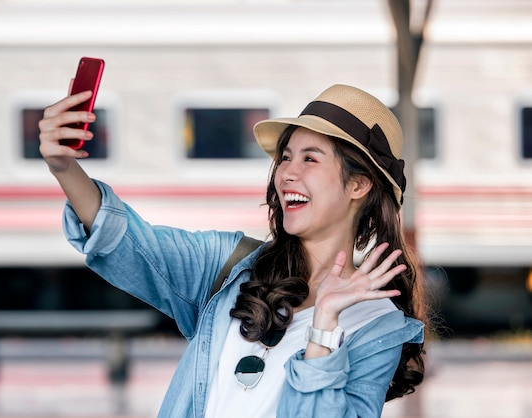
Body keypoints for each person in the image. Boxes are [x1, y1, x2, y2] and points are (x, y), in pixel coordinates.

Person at [38, 83, 428, 417]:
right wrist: (63, 167)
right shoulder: (229, 266)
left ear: (358, 185)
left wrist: (323, 327)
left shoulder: (378, 327)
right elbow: (132, 244)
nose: (286, 172)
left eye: (310, 158)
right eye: (285, 157)